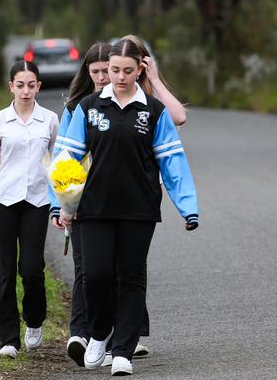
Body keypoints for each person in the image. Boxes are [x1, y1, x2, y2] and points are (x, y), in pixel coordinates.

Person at [56, 37, 199, 376]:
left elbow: (172, 160)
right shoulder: (88, 107)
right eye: (115, 70)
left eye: (127, 71)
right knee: (95, 276)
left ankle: (123, 352)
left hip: (138, 208)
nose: (119, 77)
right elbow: (67, 158)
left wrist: (187, 206)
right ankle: (99, 332)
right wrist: (63, 203)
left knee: (132, 278)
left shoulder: (153, 111)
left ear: (139, 70)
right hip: (93, 208)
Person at [0, 60, 59, 358]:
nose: (26, 91)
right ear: (11, 86)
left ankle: (35, 320)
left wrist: (63, 204)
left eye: (31, 85)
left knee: (32, 269)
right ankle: (8, 339)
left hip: (37, 201)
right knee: (6, 271)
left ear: (39, 86)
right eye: (20, 85)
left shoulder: (49, 120)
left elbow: (58, 163)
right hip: (4, 201)